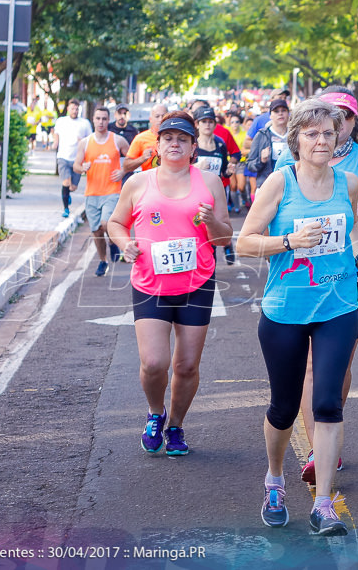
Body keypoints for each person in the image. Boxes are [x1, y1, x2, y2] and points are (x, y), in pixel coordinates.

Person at [235, 98, 358, 535]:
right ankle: (275, 479)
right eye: (312, 133)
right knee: (283, 407)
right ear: (296, 139)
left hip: (338, 306)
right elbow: (244, 243)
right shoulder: (280, 184)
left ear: (340, 138)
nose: (321, 140)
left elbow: (353, 227)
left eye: (328, 133)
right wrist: (289, 241)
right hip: (285, 311)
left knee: (327, 403)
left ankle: (323, 504)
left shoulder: (348, 183)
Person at [274, 86, 358, 483]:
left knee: (337, 364)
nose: (335, 126)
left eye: (344, 117)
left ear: (352, 122)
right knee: (310, 365)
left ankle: (327, 424)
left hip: (350, 271)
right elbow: (275, 208)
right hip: (299, 274)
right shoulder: (289, 160)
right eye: (328, 118)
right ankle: (318, 448)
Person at [107, 112, 232, 458]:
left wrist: (210, 222)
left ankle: (175, 425)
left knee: (187, 366)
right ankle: (155, 413)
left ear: (193, 147)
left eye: (182, 139)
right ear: (157, 145)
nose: (174, 144)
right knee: (154, 363)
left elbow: (224, 239)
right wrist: (124, 243)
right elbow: (116, 223)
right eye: (168, 138)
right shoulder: (137, 182)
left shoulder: (209, 182)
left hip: (197, 284)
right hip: (150, 284)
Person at [74, 107, 129, 276]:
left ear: (108, 120)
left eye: (104, 119)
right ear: (93, 119)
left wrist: (123, 171)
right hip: (92, 193)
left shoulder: (118, 140)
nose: (101, 122)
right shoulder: (85, 142)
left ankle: (113, 242)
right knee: (97, 231)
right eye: (98, 118)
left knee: (106, 224)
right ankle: (103, 261)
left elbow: (131, 159)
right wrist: (82, 167)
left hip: (112, 191)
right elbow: (76, 166)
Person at [193, 106, 236, 265]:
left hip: (216, 195)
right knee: (198, 227)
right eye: (204, 121)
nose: (208, 125)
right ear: (197, 124)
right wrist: (197, 168)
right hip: (196, 196)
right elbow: (181, 169)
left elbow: (224, 171)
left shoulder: (220, 144)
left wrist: (229, 171)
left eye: (211, 121)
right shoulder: (193, 145)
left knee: (217, 227)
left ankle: (220, 254)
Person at [52, 99, 93, 218]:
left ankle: (68, 194)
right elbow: (57, 133)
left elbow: (90, 139)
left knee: (73, 187)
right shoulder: (61, 121)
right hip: (63, 156)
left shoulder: (84, 123)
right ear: (68, 109)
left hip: (77, 159)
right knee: (66, 182)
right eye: (72, 108)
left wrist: (83, 142)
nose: (74, 111)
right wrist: (55, 142)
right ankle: (66, 209)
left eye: (76, 109)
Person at [246, 100, 289, 187]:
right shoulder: (262, 135)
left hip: (290, 185)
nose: (280, 114)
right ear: (270, 115)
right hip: (267, 185)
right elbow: (250, 165)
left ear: (288, 114)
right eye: (276, 111)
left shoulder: (295, 135)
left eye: (283, 110)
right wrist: (261, 160)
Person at [123, 104, 167, 175]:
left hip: (171, 182)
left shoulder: (175, 137)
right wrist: (142, 158)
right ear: (150, 119)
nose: (160, 119)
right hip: (149, 182)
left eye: (163, 116)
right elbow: (126, 167)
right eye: (157, 116)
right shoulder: (141, 138)